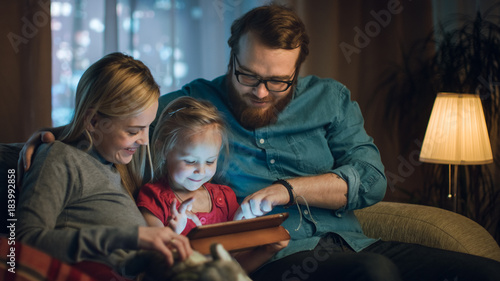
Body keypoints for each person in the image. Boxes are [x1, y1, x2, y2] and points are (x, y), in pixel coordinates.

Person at [21, 5, 500, 281]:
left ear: (298, 71)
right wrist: (55, 136)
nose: (260, 91)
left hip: (353, 238)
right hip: (278, 259)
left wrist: (288, 190)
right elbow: (116, 112)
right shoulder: (191, 103)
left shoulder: (330, 99)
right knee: (372, 276)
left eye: (278, 82)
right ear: (232, 54)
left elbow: (372, 181)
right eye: (248, 75)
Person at [16, 52, 192, 280]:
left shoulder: (118, 163)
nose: (144, 141)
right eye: (133, 131)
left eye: (148, 127)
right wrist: (134, 237)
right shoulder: (61, 158)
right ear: (93, 121)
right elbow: (24, 243)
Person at [136, 96, 289, 273]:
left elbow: (235, 268)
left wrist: (267, 249)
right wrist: (172, 234)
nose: (201, 171)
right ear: (163, 150)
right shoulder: (153, 197)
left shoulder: (224, 197)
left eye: (210, 162)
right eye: (191, 161)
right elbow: (155, 264)